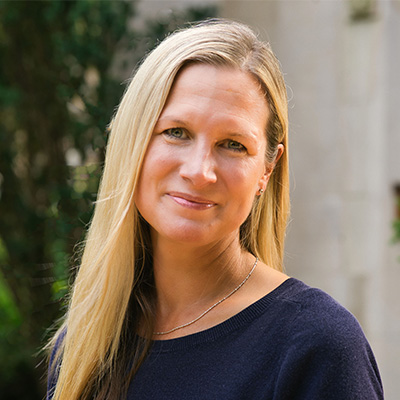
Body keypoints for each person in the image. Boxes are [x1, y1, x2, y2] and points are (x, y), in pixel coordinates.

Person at [46, 19, 383, 400]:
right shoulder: (84, 346)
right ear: (133, 142)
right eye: (176, 132)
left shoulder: (316, 347)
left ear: (267, 169)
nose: (199, 171)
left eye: (233, 144)